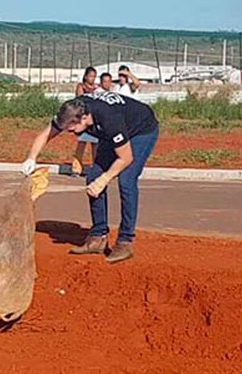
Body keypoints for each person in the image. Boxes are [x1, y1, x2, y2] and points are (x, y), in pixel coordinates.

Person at [21, 92, 159, 263]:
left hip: (140, 130)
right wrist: (31, 158)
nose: (69, 132)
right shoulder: (71, 111)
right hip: (113, 133)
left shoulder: (110, 119)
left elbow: (126, 158)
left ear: (84, 118)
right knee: (93, 175)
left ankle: (125, 241)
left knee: (127, 180)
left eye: (71, 128)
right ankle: (98, 236)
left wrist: (104, 180)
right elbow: (46, 133)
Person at [72, 67, 99, 176]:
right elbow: (80, 100)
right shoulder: (81, 86)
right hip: (83, 118)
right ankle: (76, 168)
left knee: (95, 145)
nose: (92, 78)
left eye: (94, 76)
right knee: (81, 143)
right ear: (86, 76)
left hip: (93, 118)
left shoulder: (97, 88)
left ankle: (96, 167)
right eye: (91, 76)